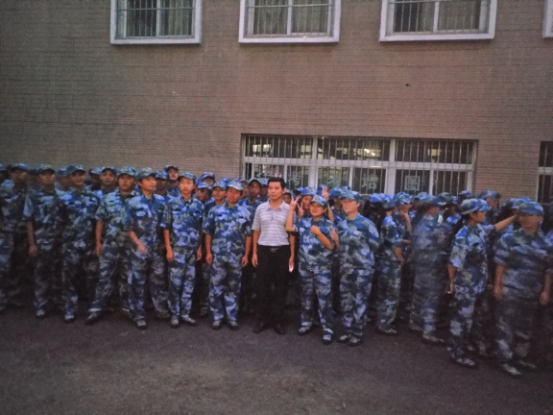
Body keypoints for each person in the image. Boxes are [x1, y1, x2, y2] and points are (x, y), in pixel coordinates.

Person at [446, 199, 515, 368]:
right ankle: (456, 352)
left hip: (478, 284)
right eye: (481, 212)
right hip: (466, 285)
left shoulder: (478, 229)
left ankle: (466, 346)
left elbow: (495, 228)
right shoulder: (463, 236)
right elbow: (453, 263)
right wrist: (451, 283)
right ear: (472, 214)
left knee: (473, 319)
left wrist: (514, 217)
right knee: (462, 320)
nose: (485, 214)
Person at [493, 201, 552, 377]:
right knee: (506, 325)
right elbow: (500, 264)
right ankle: (504, 359)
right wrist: (497, 285)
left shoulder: (545, 243)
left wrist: (546, 290)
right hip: (511, 288)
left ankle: (519, 357)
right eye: (522, 216)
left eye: (529, 216)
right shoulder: (509, 238)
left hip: (532, 290)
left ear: (539, 218)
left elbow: (548, 269)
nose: (525, 219)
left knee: (525, 327)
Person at [86, 167, 138, 325]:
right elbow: (100, 220)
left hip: (130, 246)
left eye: (129, 178)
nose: (125, 181)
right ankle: (96, 308)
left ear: (134, 181)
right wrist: (98, 242)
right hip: (110, 244)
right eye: (122, 178)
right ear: (118, 180)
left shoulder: (139, 199)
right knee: (104, 277)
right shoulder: (108, 198)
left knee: (128, 278)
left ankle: (128, 308)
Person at [286, 194, 336, 344]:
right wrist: (291, 210)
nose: (314, 208)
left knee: (324, 299)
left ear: (324, 209)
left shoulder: (329, 225)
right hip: (305, 267)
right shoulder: (304, 222)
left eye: (318, 206)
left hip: (322, 268)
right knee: (306, 296)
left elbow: (332, 246)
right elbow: (289, 228)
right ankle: (306, 323)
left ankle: (327, 329)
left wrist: (319, 233)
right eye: (312, 205)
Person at [204, 180, 252, 330]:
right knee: (216, 287)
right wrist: (208, 251)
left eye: (236, 192)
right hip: (218, 255)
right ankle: (217, 317)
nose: (232, 194)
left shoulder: (245, 212)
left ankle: (231, 317)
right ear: (226, 193)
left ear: (241, 195)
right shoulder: (215, 211)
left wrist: (246, 255)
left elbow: (248, 235)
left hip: (236, 256)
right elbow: (208, 232)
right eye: (230, 191)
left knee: (233, 288)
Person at [126, 168, 170, 329]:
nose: (152, 182)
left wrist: (164, 243)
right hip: (139, 249)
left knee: (158, 280)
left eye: (153, 179)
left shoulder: (161, 201)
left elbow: (165, 224)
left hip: (156, 248)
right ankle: (138, 314)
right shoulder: (133, 202)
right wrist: (138, 243)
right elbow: (128, 227)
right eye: (148, 179)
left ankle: (160, 310)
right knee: (137, 282)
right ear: (140, 183)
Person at [335, 190, 380, 346]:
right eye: (343, 201)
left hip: (362, 269)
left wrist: (360, 253)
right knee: (346, 301)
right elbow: (339, 246)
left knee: (359, 301)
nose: (345, 204)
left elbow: (375, 245)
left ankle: (357, 332)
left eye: (349, 201)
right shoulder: (341, 224)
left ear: (358, 204)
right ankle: (347, 330)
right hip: (345, 268)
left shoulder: (366, 224)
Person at [58, 164, 100, 322]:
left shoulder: (93, 197)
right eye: (74, 175)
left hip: (89, 243)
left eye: (81, 174)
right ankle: (70, 308)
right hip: (71, 244)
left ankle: (93, 308)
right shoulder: (64, 198)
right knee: (69, 277)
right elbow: (60, 222)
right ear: (69, 178)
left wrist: (97, 242)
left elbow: (98, 221)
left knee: (92, 277)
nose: (78, 178)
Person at [162, 171, 204, 328]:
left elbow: (201, 228)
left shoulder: (199, 205)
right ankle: (175, 314)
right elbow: (166, 227)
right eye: (183, 182)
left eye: (188, 183)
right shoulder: (171, 203)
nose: (185, 186)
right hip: (177, 249)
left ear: (193, 186)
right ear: (179, 185)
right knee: (175, 283)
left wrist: (199, 248)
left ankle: (185, 313)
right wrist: (168, 248)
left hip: (192, 251)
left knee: (189, 283)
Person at [251, 177, 293, 335]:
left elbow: (292, 235)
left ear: (283, 190)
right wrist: (254, 252)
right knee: (262, 287)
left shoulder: (288, 209)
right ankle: (262, 319)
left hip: (282, 251)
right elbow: (256, 230)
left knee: (281, 288)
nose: (273, 191)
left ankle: (278, 320)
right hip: (264, 250)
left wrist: (292, 255)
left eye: (276, 188)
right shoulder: (260, 208)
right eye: (270, 188)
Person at [23, 164, 63, 318]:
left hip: (59, 242)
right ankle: (41, 304)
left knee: (58, 273)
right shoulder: (33, 197)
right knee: (41, 274)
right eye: (44, 174)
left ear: (54, 176)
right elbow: (29, 221)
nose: (48, 177)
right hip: (41, 242)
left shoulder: (62, 196)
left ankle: (57, 302)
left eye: (50, 174)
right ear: (39, 177)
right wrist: (32, 244)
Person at [409, 195, 449, 345]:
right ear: (432, 208)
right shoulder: (437, 226)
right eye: (438, 207)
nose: (439, 210)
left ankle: (415, 323)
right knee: (431, 298)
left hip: (419, 264)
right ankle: (428, 331)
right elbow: (443, 243)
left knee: (418, 295)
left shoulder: (418, 223)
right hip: (433, 266)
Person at [0, 163, 30, 312]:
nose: (18, 175)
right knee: (3, 268)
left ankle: (13, 296)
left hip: (22, 235)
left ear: (26, 174)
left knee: (18, 267)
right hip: (5, 234)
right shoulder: (3, 189)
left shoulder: (30, 190)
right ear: (10, 174)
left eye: (21, 172)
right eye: (15, 172)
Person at [375, 194, 405, 335]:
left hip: (381, 261)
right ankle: (385, 324)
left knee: (382, 294)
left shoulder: (380, 220)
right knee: (391, 295)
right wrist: (401, 258)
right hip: (391, 263)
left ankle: (380, 320)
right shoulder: (390, 223)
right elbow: (395, 245)